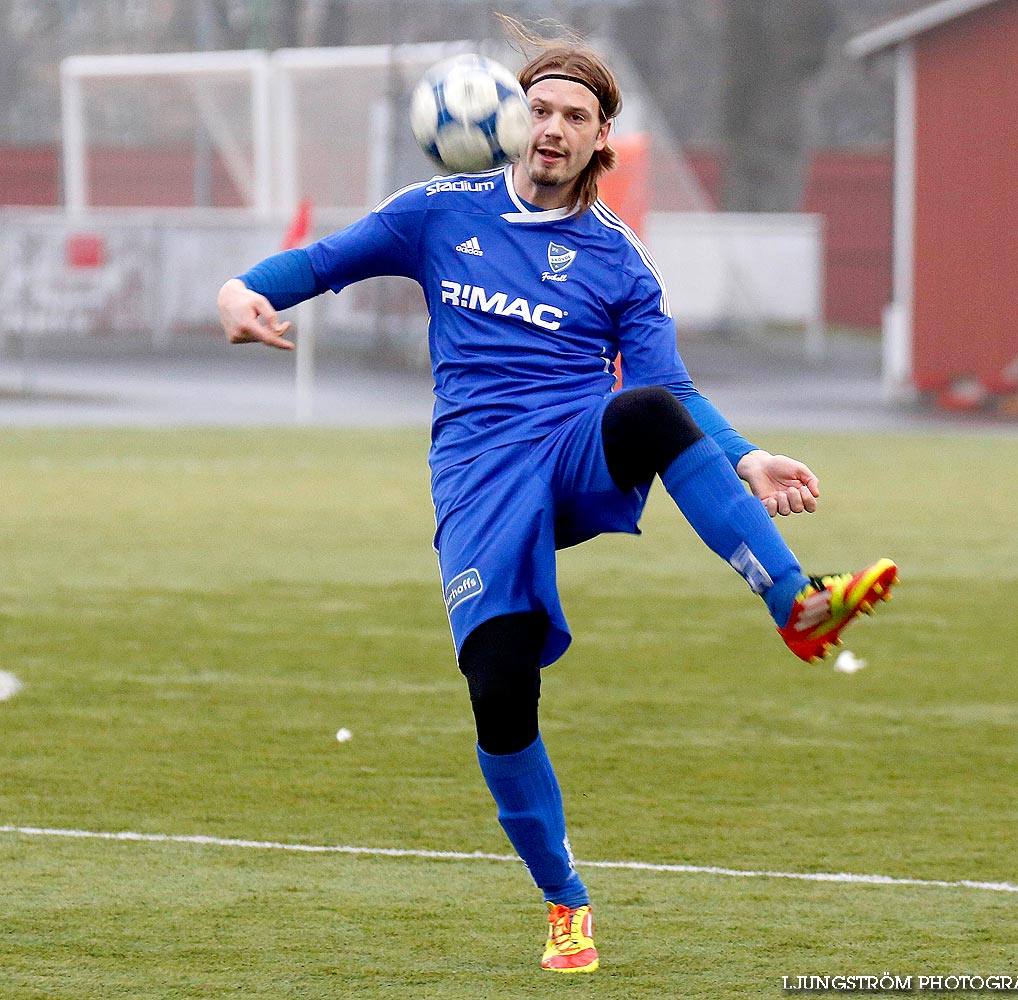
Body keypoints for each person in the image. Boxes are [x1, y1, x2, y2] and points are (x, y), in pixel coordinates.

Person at [217, 16, 898, 975]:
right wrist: (247, 288)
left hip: (577, 450)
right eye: (538, 107)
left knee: (652, 409)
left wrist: (744, 458)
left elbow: (678, 390)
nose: (553, 126)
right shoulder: (437, 212)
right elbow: (325, 262)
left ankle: (797, 604)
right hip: (479, 477)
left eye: (575, 114)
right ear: (508, 118)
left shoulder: (620, 259)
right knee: (499, 690)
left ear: (598, 139)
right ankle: (565, 900)